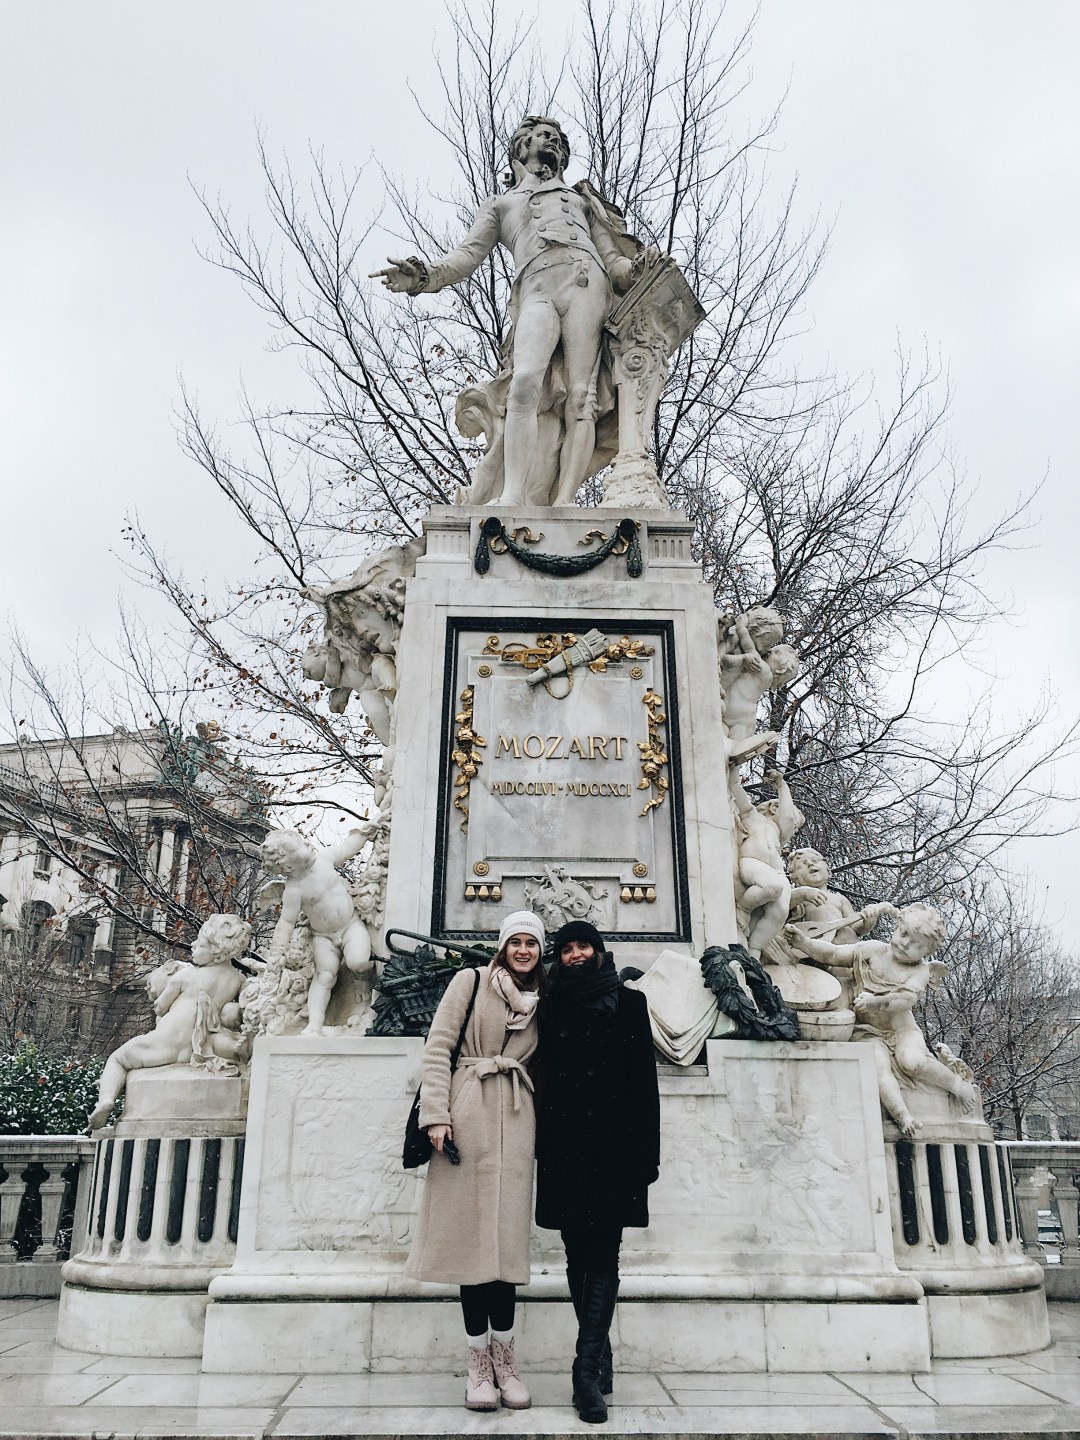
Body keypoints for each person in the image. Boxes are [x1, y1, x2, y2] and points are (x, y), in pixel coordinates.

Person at [373, 116, 648, 508]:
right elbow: (466, 256)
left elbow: (613, 261)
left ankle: (565, 501)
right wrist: (423, 276)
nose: (550, 140)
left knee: (582, 396)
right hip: (536, 288)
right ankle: (513, 494)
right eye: (541, 135)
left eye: (556, 138)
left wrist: (635, 268)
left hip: (587, 285)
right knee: (524, 385)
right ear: (521, 147)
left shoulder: (582, 201)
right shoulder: (502, 204)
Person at [405, 911, 546, 1412]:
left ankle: (506, 1364)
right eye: (516, 941)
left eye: (532, 943)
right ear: (502, 945)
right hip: (467, 1112)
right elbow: (439, 1046)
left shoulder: (544, 998)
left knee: (505, 1248)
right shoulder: (471, 981)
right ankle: (477, 1366)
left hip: (516, 1113)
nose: (524, 950)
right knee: (469, 1245)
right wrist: (436, 1117)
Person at [534, 920, 661, 1424]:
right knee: (574, 1252)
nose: (575, 955)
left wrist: (647, 1156)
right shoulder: (549, 1004)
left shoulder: (629, 1003)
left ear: (600, 950)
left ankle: (584, 1371)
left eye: (583, 946)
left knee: (604, 1251)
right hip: (564, 1147)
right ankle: (601, 1355)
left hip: (615, 1149)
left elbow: (644, 1084)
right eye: (566, 949)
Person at [788, 903, 978, 1137]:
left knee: (912, 1061)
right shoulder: (872, 950)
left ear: (926, 952)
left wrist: (876, 1002)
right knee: (877, 1064)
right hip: (866, 1031)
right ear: (897, 927)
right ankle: (902, 1116)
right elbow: (834, 954)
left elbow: (904, 1000)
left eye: (916, 944)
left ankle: (956, 1085)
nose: (905, 943)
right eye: (903, 933)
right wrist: (804, 943)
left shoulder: (919, 972)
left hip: (901, 1032)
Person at [88, 914, 252, 1130]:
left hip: (166, 1041)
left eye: (200, 943)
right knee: (222, 1041)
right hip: (200, 1044)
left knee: (118, 1059)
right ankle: (236, 1048)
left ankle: (106, 1100)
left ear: (217, 954)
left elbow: (160, 1007)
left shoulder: (187, 975)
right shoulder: (238, 979)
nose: (193, 945)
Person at [260, 827, 374, 1035]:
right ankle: (314, 1023)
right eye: (302, 846)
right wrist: (277, 951)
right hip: (323, 936)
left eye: (306, 842)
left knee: (359, 961)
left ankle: (364, 986)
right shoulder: (294, 890)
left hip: (350, 925)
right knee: (324, 976)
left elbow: (348, 847)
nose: (309, 845)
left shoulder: (324, 859)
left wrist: (367, 830)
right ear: (288, 865)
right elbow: (286, 922)